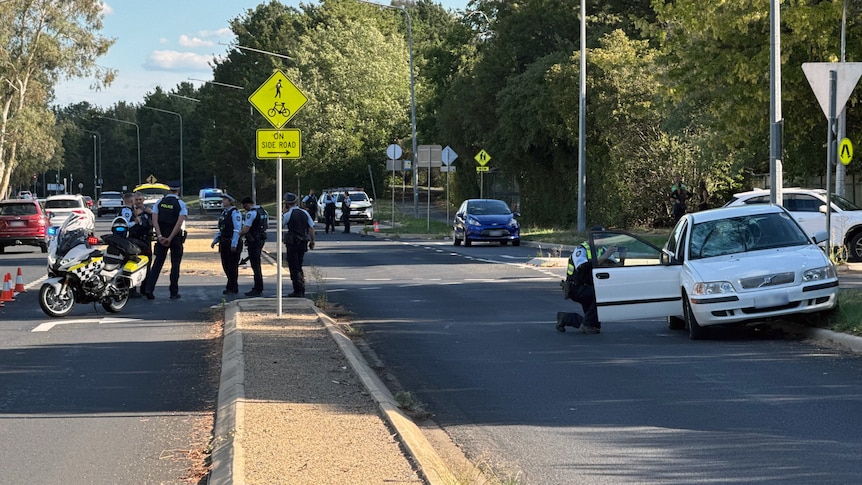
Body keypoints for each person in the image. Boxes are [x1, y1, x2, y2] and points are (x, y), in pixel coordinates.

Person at [556, 226, 618, 334]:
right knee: (599, 298)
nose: (605, 241)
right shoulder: (581, 249)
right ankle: (585, 325)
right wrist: (605, 256)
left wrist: (622, 257)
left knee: (595, 326)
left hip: (590, 286)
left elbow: (614, 266)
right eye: (602, 238)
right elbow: (582, 267)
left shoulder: (601, 250)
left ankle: (565, 318)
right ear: (594, 238)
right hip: (576, 287)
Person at [143, 181, 188, 300]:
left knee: (157, 263)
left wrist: (160, 236)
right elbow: (179, 223)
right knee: (175, 264)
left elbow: (154, 220)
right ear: (178, 190)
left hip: (161, 236)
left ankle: (149, 289)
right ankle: (173, 292)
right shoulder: (180, 204)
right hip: (175, 238)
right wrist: (170, 238)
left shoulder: (159, 203)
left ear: (168, 190)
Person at [282, 192, 315, 297]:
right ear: (296, 202)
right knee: (299, 265)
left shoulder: (287, 215)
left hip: (292, 244)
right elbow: (311, 228)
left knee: (293, 266)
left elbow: (280, 225)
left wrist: (283, 211)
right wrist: (312, 241)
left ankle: (298, 290)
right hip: (303, 242)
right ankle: (301, 288)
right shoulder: (305, 213)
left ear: (286, 203)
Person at [211, 194, 243, 295]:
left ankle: (232, 287)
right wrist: (215, 240)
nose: (223, 201)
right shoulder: (224, 213)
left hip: (232, 241)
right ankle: (231, 284)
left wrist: (234, 243)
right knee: (225, 265)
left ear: (230, 201)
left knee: (232, 266)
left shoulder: (235, 213)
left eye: (225, 199)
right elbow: (221, 228)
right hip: (224, 241)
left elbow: (237, 229)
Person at [239, 196, 269, 296]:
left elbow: (246, 228)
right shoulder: (263, 211)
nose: (245, 209)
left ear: (247, 204)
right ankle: (258, 286)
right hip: (261, 238)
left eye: (244, 207)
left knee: (255, 265)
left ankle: (258, 288)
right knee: (257, 264)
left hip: (254, 240)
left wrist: (239, 234)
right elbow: (266, 225)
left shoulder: (251, 213)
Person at [127, 192, 154, 297]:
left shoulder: (148, 211)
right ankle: (131, 290)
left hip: (146, 240)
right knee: (132, 264)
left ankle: (145, 289)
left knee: (147, 265)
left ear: (143, 200)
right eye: (136, 200)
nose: (138, 202)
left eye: (140, 200)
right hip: (134, 240)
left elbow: (152, 223)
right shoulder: (130, 211)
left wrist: (150, 213)